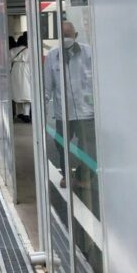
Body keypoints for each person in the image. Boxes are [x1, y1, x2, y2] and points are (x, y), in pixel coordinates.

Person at [44, 21, 94, 190]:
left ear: (76, 35)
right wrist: (41, 111)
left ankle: (83, 175)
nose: (66, 39)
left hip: (86, 112)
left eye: (69, 35)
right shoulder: (52, 56)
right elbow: (47, 86)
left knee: (87, 147)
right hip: (63, 113)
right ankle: (66, 174)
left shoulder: (88, 53)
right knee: (61, 145)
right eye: (63, 36)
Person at [10, 32, 32, 122]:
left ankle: (19, 113)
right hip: (26, 69)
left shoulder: (13, 50)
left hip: (15, 70)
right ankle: (26, 114)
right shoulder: (29, 50)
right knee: (27, 93)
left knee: (17, 92)